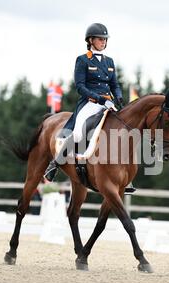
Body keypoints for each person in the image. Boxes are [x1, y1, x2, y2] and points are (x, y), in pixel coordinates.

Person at [43, 23, 136, 193]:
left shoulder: (109, 61)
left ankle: (125, 177)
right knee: (78, 132)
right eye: (100, 39)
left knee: (122, 131)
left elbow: (114, 84)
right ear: (91, 40)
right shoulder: (83, 59)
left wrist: (119, 97)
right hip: (90, 103)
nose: (103, 42)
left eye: (105, 39)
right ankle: (55, 164)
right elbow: (80, 87)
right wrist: (100, 99)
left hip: (109, 103)